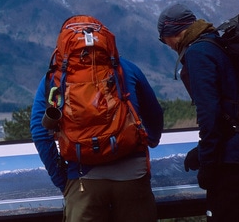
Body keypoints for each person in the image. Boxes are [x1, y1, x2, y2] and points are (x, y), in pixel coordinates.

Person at [30, 32, 165, 222]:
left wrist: (64, 181)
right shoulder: (126, 68)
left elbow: (39, 131)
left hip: (83, 179)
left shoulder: (56, 77)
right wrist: (152, 140)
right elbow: (154, 113)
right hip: (133, 175)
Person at [156, 3, 239, 222]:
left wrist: (208, 164)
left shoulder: (198, 53)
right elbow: (229, 106)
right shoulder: (218, 43)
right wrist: (201, 152)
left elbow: (210, 114)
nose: (168, 46)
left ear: (172, 33)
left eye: (164, 40)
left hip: (233, 165)